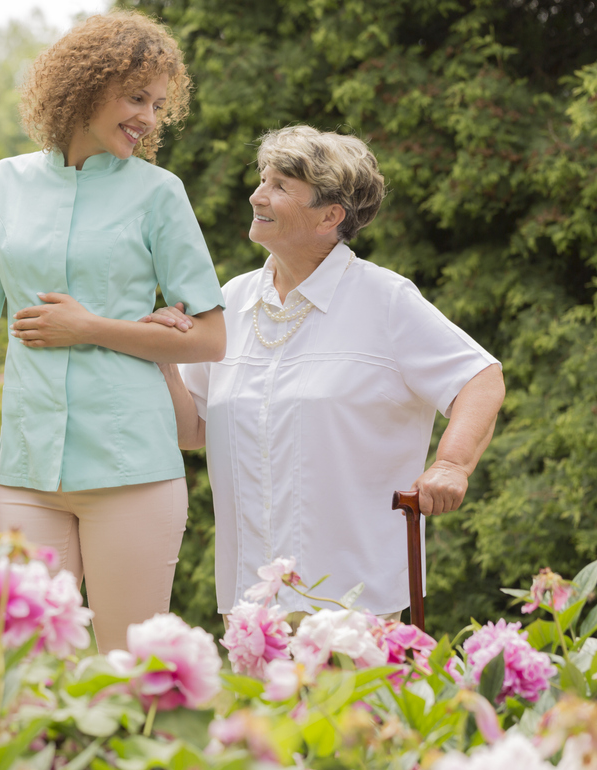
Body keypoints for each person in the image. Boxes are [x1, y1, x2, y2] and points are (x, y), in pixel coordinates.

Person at [0, 11, 227, 652]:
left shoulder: (159, 194)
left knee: (126, 672)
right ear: (84, 87)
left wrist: (91, 328)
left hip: (133, 469)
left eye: (157, 103)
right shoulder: (0, 185)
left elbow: (210, 337)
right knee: (18, 669)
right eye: (134, 97)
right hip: (25, 471)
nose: (149, 118)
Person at [147, 125, 505, 621]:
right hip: (252, 603)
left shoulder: (385, 300)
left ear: (330, 216)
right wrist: (165, 359)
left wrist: (453, 464)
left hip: (356, 604)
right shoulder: (232, 300)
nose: (257, 195)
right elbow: (193, 429)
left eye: (279, 186)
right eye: (262, 179)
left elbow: (480, 377)